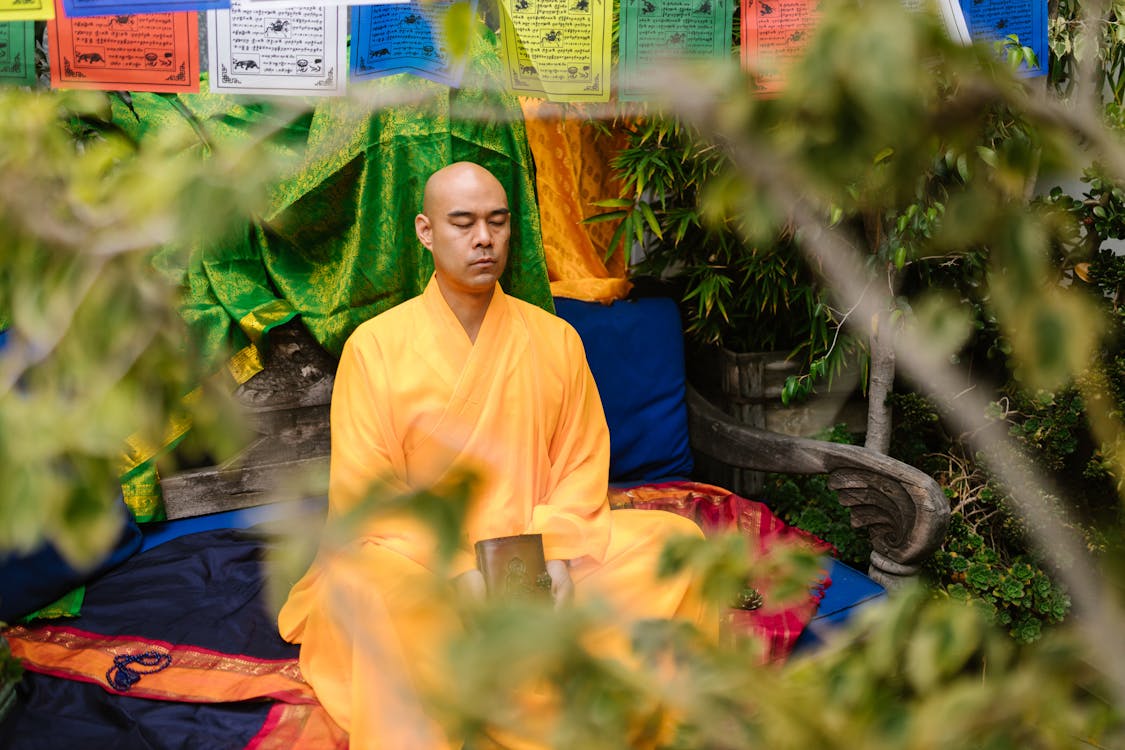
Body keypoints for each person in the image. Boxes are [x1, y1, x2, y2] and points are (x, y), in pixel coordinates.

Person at [277, 161, 710, 749]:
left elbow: (583, 466)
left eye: (497, 222)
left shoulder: (555, 338)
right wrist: (460, 572)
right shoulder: (374, 348)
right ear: (426, 232)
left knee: (676, 545)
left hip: (536, 547)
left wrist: (552, 556)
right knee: (377, 592)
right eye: (463, 223)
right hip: (422, 563)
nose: (484, 238)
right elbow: (367, 498)